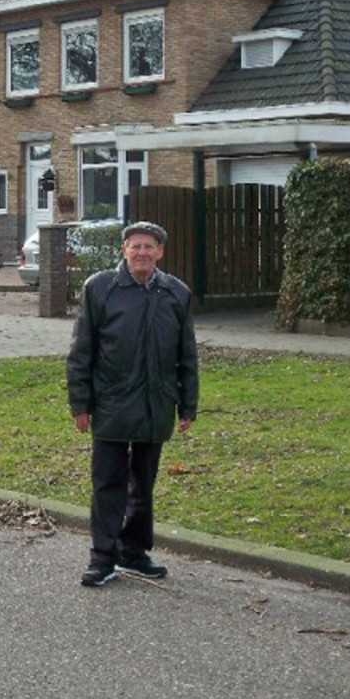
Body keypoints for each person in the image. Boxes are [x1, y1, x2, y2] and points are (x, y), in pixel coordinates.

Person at [67, 221, 199, 587]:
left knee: (144, 483)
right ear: (123, 250)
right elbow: (81, 352)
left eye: (149, 247)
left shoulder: (176, 294)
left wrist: (188, 405)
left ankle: (134, 552)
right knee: (108, 482)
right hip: (110, 404)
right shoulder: (100, 289)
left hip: (155, 405)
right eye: (135, 246)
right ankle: (103, 557)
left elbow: (186, 355)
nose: (142, 253)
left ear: (160, 252)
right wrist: (81, 403)